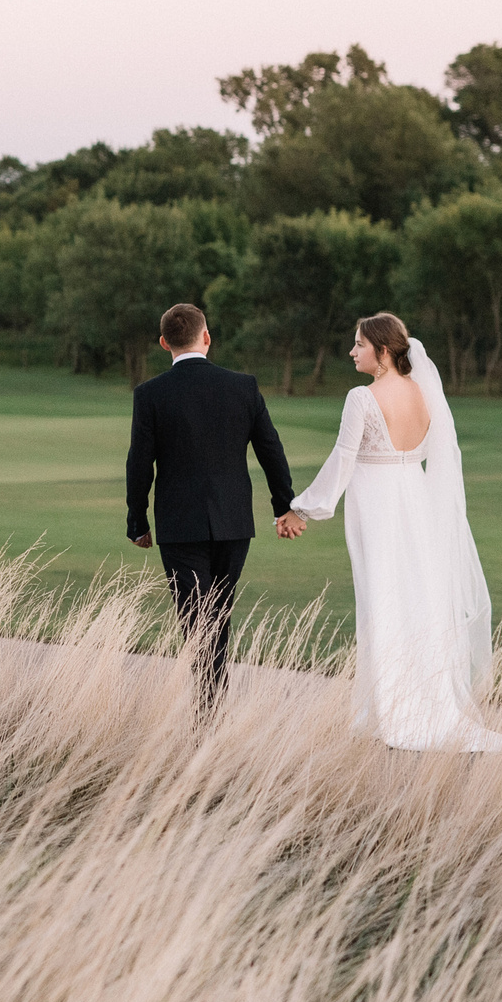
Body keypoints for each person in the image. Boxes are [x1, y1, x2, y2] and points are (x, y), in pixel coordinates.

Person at [278, 313, 502, 752]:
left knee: (383, 599)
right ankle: (421, 702)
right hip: (414, 498)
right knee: (417, 598)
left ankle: (395, 711)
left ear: (381, 351)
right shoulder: (423, 392)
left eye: (358, 345)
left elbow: (343, 458)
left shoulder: (362, 397)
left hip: (378, 503)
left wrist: (300, 508)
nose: (352, 352)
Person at [126, 302, 297, 707]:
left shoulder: (149, 394)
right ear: (206, 337)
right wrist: (283, 506)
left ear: (164, 342)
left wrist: (138, 520)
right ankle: (211, 713)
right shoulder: (244, 386)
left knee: (197, 621)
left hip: (179, 524)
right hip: (233, 522)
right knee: (216, 614)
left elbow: (139, 462)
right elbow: (271, 450)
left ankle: (208, 715)